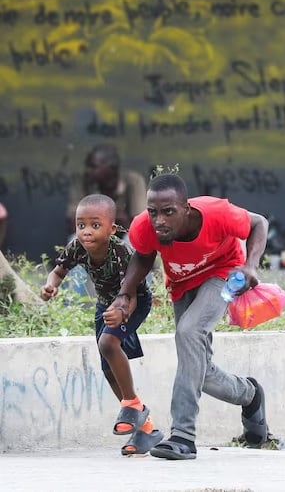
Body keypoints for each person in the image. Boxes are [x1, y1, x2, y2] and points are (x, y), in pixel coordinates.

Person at [108, 173, 269, 460]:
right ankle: (250, 395)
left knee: (188, 331)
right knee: (198, 370)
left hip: (223, 274)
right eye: (153, 212)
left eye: (168, 212)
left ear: (187, 209)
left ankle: (183, 435)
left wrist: (251, 265)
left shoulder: (216, 213)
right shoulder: (144, 226)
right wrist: (124, 294)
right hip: (182, 284)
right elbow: (144, 256)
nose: (159, 221)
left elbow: (259, 222)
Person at [41, 194, 163, 455]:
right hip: (106, 304)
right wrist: (51, 285)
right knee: (108, 367)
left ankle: (132, 405)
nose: (86, 232)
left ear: (112, 229)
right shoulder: (76, 247)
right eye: (81, 225)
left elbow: (130, 293)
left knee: (108, 343)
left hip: (135, 300)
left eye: (95, 225)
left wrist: (122, 312)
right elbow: (59, 270)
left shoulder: (120, 252)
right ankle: (146, 429)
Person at [67, 144, 147, 238]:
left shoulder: (133, 181)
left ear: (112, 168)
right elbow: (72, 224)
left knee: (135, 239)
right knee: (75, 239)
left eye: (93, 167)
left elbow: (141, 225)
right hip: (94, 234)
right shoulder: (82, 183)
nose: (88, 171)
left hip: (123, 235)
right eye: (88, 166)